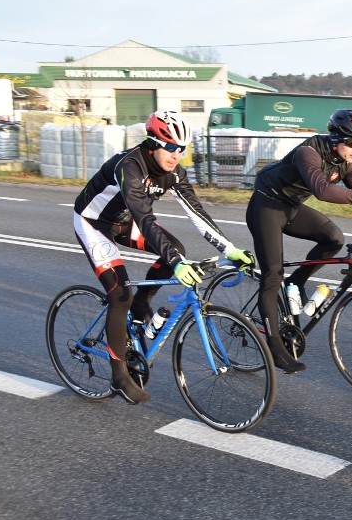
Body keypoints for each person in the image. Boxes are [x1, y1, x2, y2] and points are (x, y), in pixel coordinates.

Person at [73, 110, 255, 405]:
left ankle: (142, 305)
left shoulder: (175, 173)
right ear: (153, 143)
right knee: (121, 294)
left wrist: (229, 249)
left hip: (123, 221)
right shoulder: (130, 166)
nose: (176, 155)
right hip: (92, 223)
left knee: (175, 249)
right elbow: (146, 220)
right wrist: (176, 265)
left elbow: (198, 214)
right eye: (170, 147)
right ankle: (119, 376)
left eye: (182, 148)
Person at [247, 108, 352, 374]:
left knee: (334, 238)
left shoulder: (346, 162)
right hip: (265, 206)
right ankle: (274, 346)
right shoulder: (308, 152)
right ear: (336, 140)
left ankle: (297, 280)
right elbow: (322, 191)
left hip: (291, 207)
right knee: (272, 275)